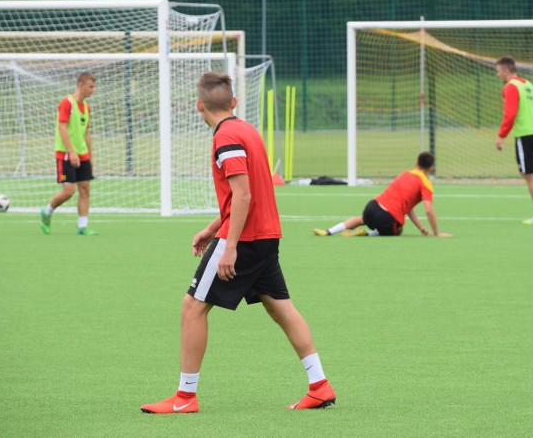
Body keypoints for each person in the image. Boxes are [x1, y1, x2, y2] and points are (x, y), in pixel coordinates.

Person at [141, 72, 336, 414]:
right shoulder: (246, 130)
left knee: (192, 308)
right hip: (265, 236)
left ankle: (185, 398)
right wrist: (211, 227)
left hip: (244, 239)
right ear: (233, 102)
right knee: (280, 307)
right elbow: (246, 193)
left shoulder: (225, 137)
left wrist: (228, 245)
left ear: (198, 105)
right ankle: (319, 385)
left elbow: (243, 195)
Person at [312, 152, 451, 238]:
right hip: (386, 217)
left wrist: (420, 227)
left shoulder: (405, 174)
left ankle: (328, 231)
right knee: (398, 229)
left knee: (361, 219)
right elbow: (428, 209)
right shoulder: (425, 183)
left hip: (372, 207)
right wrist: (437, 233)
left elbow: (407, 207)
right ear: (431, 168)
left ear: (416, 163)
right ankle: (367, 234)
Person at [494, 57, 533, 225]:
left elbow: (510, 114)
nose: (497, 74)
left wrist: (501, 136)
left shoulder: (510, 87)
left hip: (525, 135)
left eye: (498, 71)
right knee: (529, 172)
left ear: (506, 71)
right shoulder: (528, 84)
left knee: (529, 174)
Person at [39, 72, 98, 236]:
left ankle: (83, 227)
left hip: (82, 154)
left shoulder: (86, 108)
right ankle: (47, 212)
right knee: (69, 191)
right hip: (66, 153)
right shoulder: (67, 103)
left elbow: (87, 133)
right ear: (80, 85)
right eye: (90, 86)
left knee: (85, 189)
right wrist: (72, 152)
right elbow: (62, 127)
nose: (93, 90)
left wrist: (90, 157)